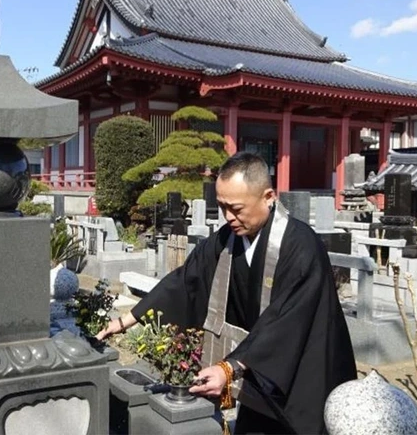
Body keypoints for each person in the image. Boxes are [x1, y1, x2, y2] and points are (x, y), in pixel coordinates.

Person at [96, 152, 357, 435]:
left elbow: (286, 320)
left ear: (268, 196)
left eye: (236, 208)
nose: (228, 217)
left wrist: (229, 367)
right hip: (260, 369)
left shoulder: (301, 247)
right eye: (222, 207)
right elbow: (186, 281)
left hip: (305, 372)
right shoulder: (229, 238)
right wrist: (126, 320)